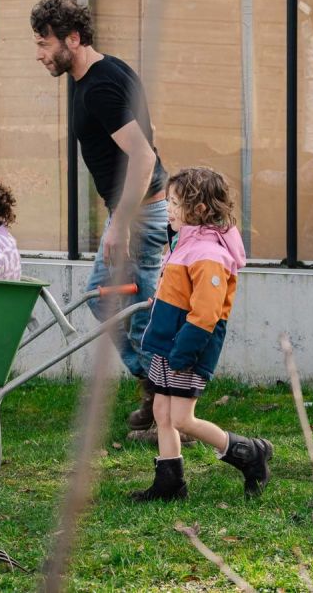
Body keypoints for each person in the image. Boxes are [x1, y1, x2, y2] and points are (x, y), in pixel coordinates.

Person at [30, 0, 169, 431]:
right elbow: (151, 132)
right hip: (138, 211)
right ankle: (156, 391)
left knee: (138, 312)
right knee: (112, 302)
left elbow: (144, 157)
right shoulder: (106, 73)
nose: (39, 55)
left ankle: (161, 401)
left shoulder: (101, 87)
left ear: (72, 38)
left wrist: (120, 225)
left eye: (44, 43)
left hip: (141, 215)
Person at [130, 167, 273, 502]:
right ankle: (170, 484)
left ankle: (250, 453)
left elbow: (207, 313)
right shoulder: (184, 243)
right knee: (162, 413)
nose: (167, 208)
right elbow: (181, 291)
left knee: (181, 418)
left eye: (175, 202)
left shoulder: (209, 253)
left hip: (187, 348)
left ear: (201, 210)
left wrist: (184, 352)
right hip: (169, 344)